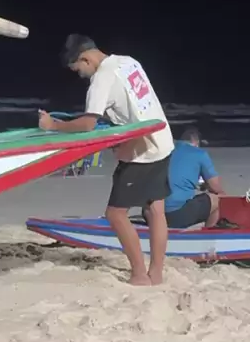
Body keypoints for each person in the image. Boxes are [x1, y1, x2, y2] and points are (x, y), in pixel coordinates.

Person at [38, 35, 174, 286]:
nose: (81, 75)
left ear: (85, 58)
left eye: (77, 69)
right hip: (163, 140)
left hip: (143, 153)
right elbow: (136, 107)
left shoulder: (101, 79)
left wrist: (53, 126)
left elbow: (87, 124)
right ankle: (156, 274)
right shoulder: (128, 62)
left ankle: (139, 275)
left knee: (115, 214)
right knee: (155, 209)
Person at [163, 128, 224, 228]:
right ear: (196, 142)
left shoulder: (166, 151)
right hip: (176, 214)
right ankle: (208, 233)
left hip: (153, 212)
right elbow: (215, 187)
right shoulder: (199, 154)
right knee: (217, 199)